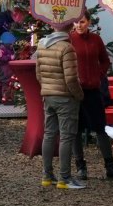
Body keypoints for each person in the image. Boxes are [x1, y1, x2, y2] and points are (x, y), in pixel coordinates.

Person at [68, 10, 113, 181]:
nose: (79, 25)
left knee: (101, 128)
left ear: (89, 23)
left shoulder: (95, 39)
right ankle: (81, 167)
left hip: (93, 90)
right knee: (76, 130)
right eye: (76, 22)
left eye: (82, 22)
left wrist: (98, 74)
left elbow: (105, 60)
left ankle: (110, 167)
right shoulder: (69, 39)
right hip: (75, 91)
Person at [35, 18, 84, 189]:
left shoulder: (42, 45)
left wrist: (47, 88)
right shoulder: (66, 48)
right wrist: (79, 95)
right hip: (65, 97)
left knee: (49, 134)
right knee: (66, 136)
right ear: (70, 28)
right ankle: (65, 178)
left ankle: (47, 176)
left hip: (48, 95)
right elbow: (71, 78)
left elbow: (38, 74)